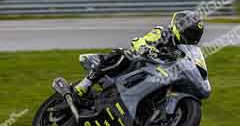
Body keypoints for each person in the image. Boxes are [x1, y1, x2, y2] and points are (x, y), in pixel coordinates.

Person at [73, 11, 205, 98]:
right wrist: (146, 48)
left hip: (158, 76)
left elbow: (192, 65)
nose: (192, 37)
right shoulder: (163, 33)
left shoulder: (186, 51)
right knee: (122, 54)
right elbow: (141, 41)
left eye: (195, 34)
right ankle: (86, 83)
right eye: (190, 33)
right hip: (140, 64)